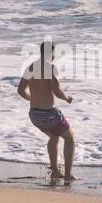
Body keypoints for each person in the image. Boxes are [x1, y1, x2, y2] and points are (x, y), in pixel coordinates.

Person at [17, 42, 76, 185]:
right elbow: (57, 91)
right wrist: (67, 97)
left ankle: (55, 170)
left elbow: (20, 90)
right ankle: (68, 175)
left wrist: (33, 98)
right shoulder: (50, 68)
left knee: (54, 136)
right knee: (70, 138)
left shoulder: (30, 67)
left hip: (34, 115)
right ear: (51, 53)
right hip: (48, 115)